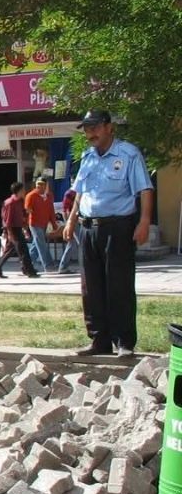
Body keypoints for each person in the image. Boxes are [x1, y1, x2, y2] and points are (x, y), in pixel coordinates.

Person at [63, 109, 154, 357]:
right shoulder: (88, 157)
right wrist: (71, 220)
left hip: (118, 226)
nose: (90, 133)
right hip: (89, 227)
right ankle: (98, 340)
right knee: (90, 287)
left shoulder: (128, 154)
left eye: (94, 127)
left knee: (119, 284)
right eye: (87, 129)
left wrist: (144, 221)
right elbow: (80, 192)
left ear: (108, 127)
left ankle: (123, 341)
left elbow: (144, 189)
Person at [0, 182, 39, 279]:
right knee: (23, 251)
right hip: (12, 229)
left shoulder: (20, 201)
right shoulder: (10, 203)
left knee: (9, 251)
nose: (24, 191)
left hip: (18, 227)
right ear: (19, 191)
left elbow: (22, 215)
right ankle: (30, 271)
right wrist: (9, 233)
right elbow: (7, 219)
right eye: (23, 190)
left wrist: (25, 228)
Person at [24, 178, 58, 272]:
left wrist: (54, 224)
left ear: (46, 185)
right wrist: (25, 227)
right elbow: (27, 210)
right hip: (34, 223)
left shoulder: (49, 196)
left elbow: (51, 210)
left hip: (44, 223)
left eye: (42, 184)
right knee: (42, 244)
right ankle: (48, 265)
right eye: (38, 184)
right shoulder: (31, 195)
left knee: (36, 244)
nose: (39, 186)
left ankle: (26, 264)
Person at [57, 189, 80, 274]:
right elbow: (64, 209)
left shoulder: (81, 192)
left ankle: (63, 266)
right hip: (73, 220)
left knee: (72, 243)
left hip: (79, 220)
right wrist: (68, 223)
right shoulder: (69, 193)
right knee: (80, 243)